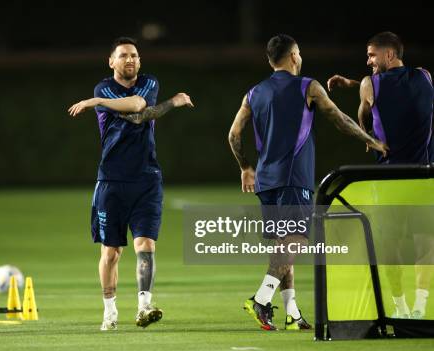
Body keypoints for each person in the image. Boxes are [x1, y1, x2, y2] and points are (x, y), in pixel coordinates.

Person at [229, 34, 388, 331]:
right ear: (292, 56)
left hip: (266, 181)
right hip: (293, 177)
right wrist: (373, 141)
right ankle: (261, 299)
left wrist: (246, 167)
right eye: (299, 53)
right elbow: (339, 119)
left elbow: (234, 134)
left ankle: (292, 313)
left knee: (281, 245)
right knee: (297, 239)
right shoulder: (308, 86)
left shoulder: (254, 93)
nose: (300, 58)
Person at [68, 37, 193, 330]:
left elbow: (138, 109)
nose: (130, 60)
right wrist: (173, 102)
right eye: (123, 56)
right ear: (111, 61)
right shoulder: (104, 88)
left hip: (147, 179)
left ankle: (144, 305)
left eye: (134, 56)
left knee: (145, 245)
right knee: (111, 252)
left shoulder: (148, 83)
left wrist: (96, 104)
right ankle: (109, 312)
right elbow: (139, 113)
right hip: (111, 180)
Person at [327, 31, 434, 319]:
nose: (368, 60)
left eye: (372, 55)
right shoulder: (425, 77)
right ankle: (420, 308)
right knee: (427, 244)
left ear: (389, 55)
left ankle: (399, 308)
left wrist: (368, 136)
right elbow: (396, 92)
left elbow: (364, 111)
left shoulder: (369, 85)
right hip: (424, 177)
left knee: (390, 247)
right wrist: (355, 84)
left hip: (388, 179)